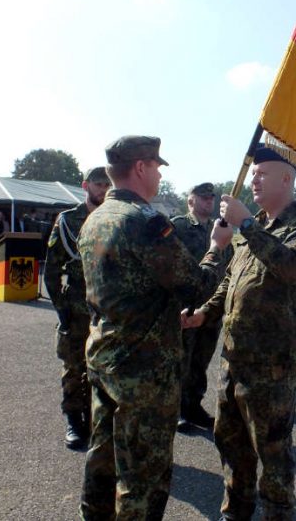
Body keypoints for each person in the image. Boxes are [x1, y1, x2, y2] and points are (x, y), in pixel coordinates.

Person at [77, 135, 233, 520]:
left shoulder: (96, 217)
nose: (160, 176)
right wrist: (217, 248)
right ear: (142, 167)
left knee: (103, 457)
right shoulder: (144, 222)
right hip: (143, 368)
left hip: (105, 354)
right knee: (143, 473)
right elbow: (194, 285)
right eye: (158, 167)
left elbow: (128, 287)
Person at [182, 144, 296, 521]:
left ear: (287, 179)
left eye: (262, 173)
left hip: (273, 367)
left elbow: (291, 267)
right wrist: (203, 313)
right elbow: (231, 282)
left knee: (273, 453)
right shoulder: (258, 229)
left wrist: (246, 224)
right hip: (234, 360)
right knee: (231, 446)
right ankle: (235, 512)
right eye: (253, 173)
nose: (254, 179)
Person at [43, 167, 112, 450]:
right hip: (76, 305)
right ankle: (73, 419)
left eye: (108, 183)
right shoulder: (68, 220)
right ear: (85, 186)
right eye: (98, 183)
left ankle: (97, 420)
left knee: (104, 367)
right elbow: (51, 269)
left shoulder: (114, 219)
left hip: (107, 307)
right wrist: (62, 308)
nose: (104, 189)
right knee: (73, 366)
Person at [172, 182, 233, 432]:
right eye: (203, 198)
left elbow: (227, 267)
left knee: (201, 360)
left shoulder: (219, 229)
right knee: (181, 360)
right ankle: (177, 410)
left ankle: (193, 406)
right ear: (191, 201)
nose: (209, 201)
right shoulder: (178, 226)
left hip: (211, 309)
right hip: (185, 307)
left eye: (211, 198)